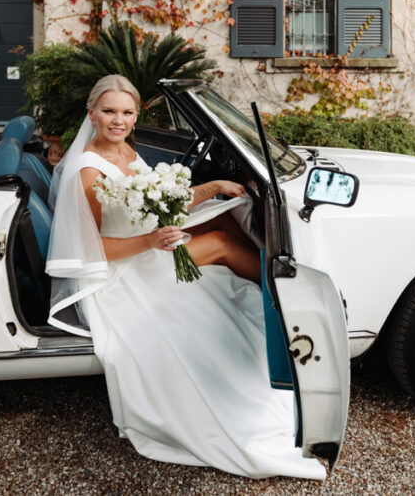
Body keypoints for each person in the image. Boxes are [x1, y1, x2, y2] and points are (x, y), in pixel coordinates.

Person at [45, 74, 326, 479]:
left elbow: (160, 199)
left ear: (136, 115)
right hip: (123, 274)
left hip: (149, 250)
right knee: (223, 246)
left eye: (126, 112)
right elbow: (95, 250)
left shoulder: (125, 149)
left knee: (228, 220)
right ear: (92, 113)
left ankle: (272, 292)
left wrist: (213, 187)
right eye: (108, 112)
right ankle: (288, 296)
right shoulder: (88, 170)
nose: (118, 120)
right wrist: (151, 242)